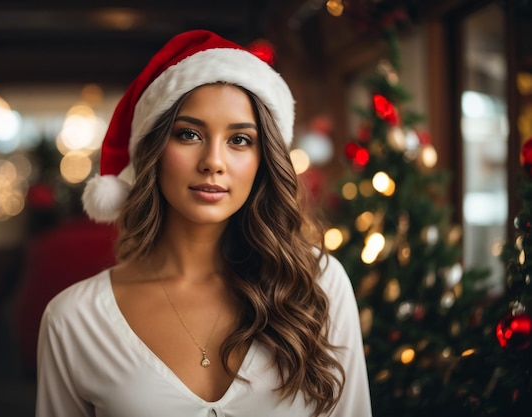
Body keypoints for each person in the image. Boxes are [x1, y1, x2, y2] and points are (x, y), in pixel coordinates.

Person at [36, 30, 372, 417]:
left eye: (240, 140)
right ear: (154, 150)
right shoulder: (74, 320)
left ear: (264, 160)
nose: (213, 161)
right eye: (189, 134)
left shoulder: (319, 284)